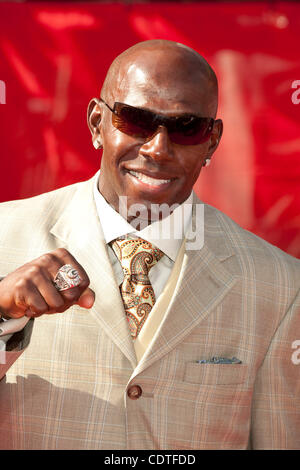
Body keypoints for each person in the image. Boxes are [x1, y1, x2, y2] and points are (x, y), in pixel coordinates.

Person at [0, 40, 299, 450]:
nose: (158, 149)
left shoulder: (279, 285)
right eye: (135, 121)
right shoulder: (5, 235)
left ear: (211, 141)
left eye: (186, 127)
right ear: (95, 123)